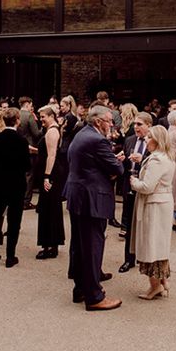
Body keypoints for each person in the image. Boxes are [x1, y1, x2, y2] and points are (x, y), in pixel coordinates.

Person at [64, 104, 125, 310]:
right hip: (91, 198)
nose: (112, 124)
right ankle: (94, 296)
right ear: (98, 121)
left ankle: (80, 288)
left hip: (78, 194)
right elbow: (117, 169)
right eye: (109, 121)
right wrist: (116, 164)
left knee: (80, 245)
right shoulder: (98, 139)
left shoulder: (83, 134)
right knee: (92, 246)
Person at [0, 108, 32, 268]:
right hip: (16, 184)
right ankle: (10, 256)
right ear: (17, 120)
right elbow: (27, 166)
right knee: (14, 220)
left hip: (0, 182)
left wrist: (0, 159)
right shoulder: (22, 141)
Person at [130, 125, 175, 300]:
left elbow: (147, 187)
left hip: (154, 205)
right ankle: (163, 281)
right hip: (162, 203)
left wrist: (134, 182)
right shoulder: (167, 157)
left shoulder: (157, 160)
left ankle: (154, 286)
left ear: (157, 140)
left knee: (151, 245)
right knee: (159, 244)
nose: (146, 140)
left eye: (149, 137)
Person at [118, 112, 152, 273]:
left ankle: (144, 257)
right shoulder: (130, 140)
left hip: (145, 188)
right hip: (129, 185)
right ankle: (128, 259)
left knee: (145, 224)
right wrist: (122, 159)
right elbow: (125, 160)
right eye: (134, 124)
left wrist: (142, 160)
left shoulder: (153, 143)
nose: (135, 127)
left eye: (139, 124)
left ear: (149, 126)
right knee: (128, 222)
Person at [34, 105, 66, 259]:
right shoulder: (53, 130)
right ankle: (52, 244)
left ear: (51, 116)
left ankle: (49, 246)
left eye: (43, 117)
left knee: (49, 209)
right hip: (52, 173)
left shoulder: (52, 132)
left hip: (51, 174)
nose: (41, 120)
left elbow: (51, 155)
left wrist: (47, 176)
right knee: (50, 208)